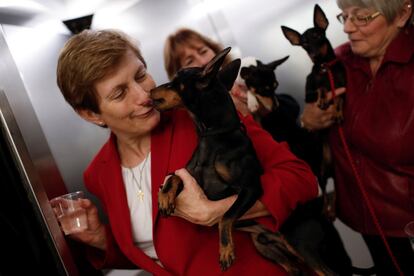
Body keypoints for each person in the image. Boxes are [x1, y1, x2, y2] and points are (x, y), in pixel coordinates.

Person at [55, 29, 318, 275]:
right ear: (91, 114)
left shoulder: (206, 120)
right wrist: (101, 239)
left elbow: (300, 178)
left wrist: (216, 211)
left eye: (140, 75)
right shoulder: (98, 174)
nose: (143, 95)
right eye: (120, 93)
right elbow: (160, 250)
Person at [300, 0, 414, 275]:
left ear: (401, 14)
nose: (348, 28)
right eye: (345, 16)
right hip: (365, 220)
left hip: (408, 223)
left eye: (362, 17)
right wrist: (308, 121)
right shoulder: (337, 64)